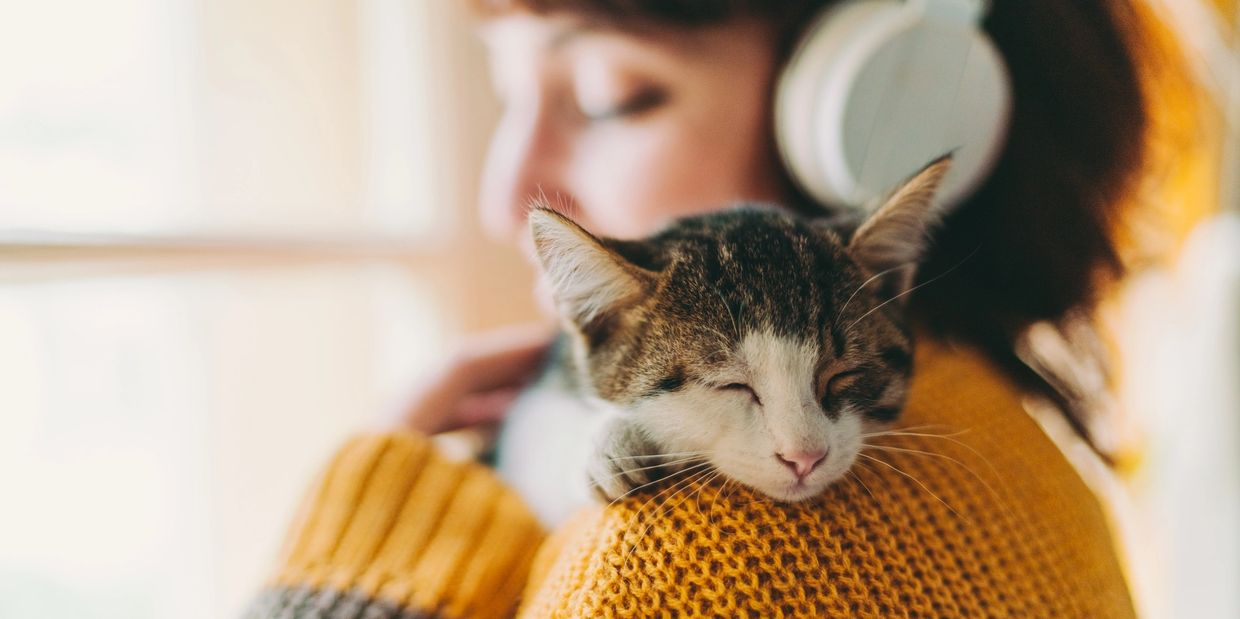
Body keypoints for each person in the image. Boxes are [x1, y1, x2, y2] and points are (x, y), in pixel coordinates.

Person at [245, 1, 1199, 617]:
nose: (507, 196)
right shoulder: (993, 431)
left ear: (876, 114)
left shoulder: (695, 560)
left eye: (612, 94)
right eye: (505, 93)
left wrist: (353, 580)